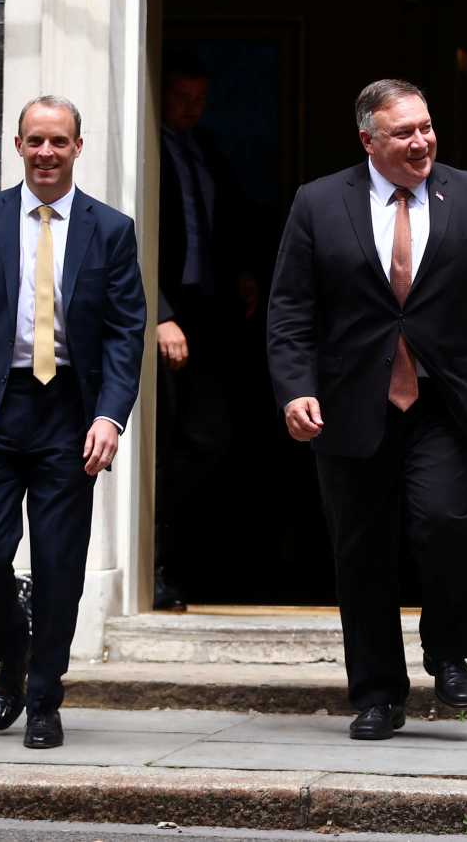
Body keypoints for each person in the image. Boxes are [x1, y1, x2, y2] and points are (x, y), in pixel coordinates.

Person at [267, 78, 467, 741]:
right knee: (362, 550)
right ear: (368, 140)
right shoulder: (319, 203)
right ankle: (378, 693)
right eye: (403, 132)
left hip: (445, 399)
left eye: (426, 127)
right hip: (350, 402)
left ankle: (449, 648)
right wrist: (295, 387)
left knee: (448, 522)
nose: (421, 142)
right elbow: (291, 307)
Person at [0, 95, 147, 749]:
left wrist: (110, 416)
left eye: (59, 141)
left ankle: (45, 695)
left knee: (58, 563)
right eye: (36, 141)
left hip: (70, 412)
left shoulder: (111, 229)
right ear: (19, 145)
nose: (47, 152)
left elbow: (125, 333)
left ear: (78, 147)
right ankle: (12, 649)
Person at [153, 53, 258, 611]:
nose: (192, 109)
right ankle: (155, 567)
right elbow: (132, 236)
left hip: (207, 314)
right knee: (163, 443)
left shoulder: (205, 151)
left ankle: (184, 561)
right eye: (182, 98)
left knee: (211, 439)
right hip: (163, 315)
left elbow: (225, 221)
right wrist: (159, 312)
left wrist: (241, 275)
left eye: (200, 99)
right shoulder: (147, 149)